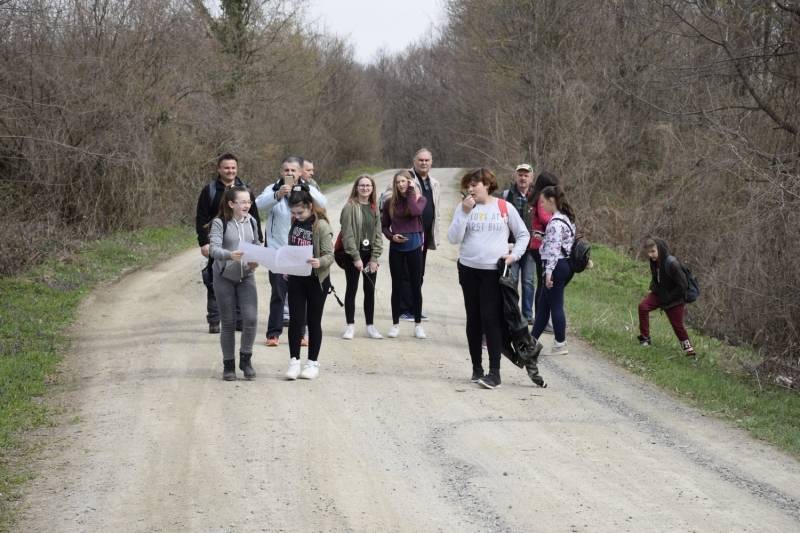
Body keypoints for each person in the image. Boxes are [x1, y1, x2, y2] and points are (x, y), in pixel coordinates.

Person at [448, 167, 530, 389]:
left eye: (475, 184)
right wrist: (464, 212)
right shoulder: (464, 207)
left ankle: (495, 373)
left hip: (493, 272)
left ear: (487, 185)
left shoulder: (504, 207)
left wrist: (513, 256)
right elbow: (453, 238)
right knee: (473, 318)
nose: (471, 188)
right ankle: (477, 369)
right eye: (468, 185)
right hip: (468, 269)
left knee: (491, 319)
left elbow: (523, 234)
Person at [256, 155, 327, 347]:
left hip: (301, 251)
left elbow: (323, 203)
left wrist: (306, 191)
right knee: (278, 294)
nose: (289, 173)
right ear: (281, 172)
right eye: (286, 170)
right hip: (277, 250)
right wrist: (277, 195)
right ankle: (273, 334)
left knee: (300, 296)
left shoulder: (307, 188)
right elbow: (257, 205)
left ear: (300, 172)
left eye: (293, 170)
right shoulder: (273, 188)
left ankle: (301, 334)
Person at [195, 153, 262, 334]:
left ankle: (239, 320)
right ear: (219, 169)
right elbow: (201, 217)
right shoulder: (209, 190)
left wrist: (258, 242)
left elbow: (254, 216)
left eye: (233, 167)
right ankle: (214, 319)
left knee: (241, 277)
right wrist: (204, 242)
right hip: (217, 243)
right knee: (214, 279)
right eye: (226, 167)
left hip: (241, 242)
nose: (230, 171)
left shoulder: (245, 190)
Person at [208, 186, 261, 381]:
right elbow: (213, 250)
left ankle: (246, 360)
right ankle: (228, 364)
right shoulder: (219, 223)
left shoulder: (252, 221)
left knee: (251, 318)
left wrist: (256, 259)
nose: (247, 205)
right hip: (224, 276)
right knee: (228, 321)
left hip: (246, 276)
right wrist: (230, 255)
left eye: (249, 202)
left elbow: (257, 244)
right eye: (243, 202)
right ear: (231, 204)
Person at [284, 186, 334, 380]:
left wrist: (319, 261)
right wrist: (287, 266)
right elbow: (292, 248)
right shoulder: (295, 222)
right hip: (296, 278)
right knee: (296, 320)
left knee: (313, 321)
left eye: (300, 212)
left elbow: (329, 256)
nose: (297, 216)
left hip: (316, 280)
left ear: (310, 206)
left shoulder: (321, 226)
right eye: (294, 213)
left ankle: (312, 362)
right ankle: (294, 361)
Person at [393, 148, 440, 322]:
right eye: (421, 160)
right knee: (406, 274)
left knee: (418, 273)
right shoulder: (405, 178)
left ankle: (414, 307)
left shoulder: (434, 183)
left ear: (431, 162)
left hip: (424, 235)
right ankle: (404, 309)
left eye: (427, 160)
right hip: (408, 234)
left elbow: (435, 209)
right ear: (414, 161)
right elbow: (389, 199)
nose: (424, 163)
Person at [530, 185, 576, 356]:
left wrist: (548, 273)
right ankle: (531, 340)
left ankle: (560, 343)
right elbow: (560, 243)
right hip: (565, 265)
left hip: (556, 266)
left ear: (551, 200)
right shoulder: (566, 218)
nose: (541, 205)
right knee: (544, 305)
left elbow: (554, 250)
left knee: (555, 305)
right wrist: (543, 237)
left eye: (543, 202)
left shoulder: (555, 223)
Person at [381, 170, 427, 339]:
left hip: (414, 246)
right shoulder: (389, 203)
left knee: (416, 286)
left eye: (404, 181)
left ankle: (418, 325)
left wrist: (411, 192)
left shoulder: (420, 199)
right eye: (398, 182)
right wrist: (392, 236)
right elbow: (384, 226)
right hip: (396, 248)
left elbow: (415, 212)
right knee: (397, 286)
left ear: (410, 182)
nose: (401, 184)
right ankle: (395, 324)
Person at [340, 174, 384, 340]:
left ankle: (370, 326)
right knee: (351, 289)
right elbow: (347, 234)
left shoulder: (374, 207)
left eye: (368, 185)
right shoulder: (349, 207)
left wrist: (374, 258)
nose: (365, 188)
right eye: (362, 185)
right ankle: (350, 326)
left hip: (369, 254)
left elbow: (378, 234)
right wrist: (356, 257)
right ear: (356, 188)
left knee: (369, 290)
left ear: (372, 188)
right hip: (353, 254)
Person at [637, 238, 696, 357]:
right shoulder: (653, 261)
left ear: (660, 249)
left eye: (653, 251)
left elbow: (683, 286)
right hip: (660, 294)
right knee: (643, 307)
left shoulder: (672, 264)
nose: (650, 255)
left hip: (675, 299)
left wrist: (668, 298)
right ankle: (645, 339)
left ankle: (690, 352)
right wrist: (653, 288)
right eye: (648, 252)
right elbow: (656, 278)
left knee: (677, 326)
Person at [500, 163, 536, 324]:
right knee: (511, 280)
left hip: (530, 248)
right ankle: (512, 312)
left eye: (526, 175)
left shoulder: (536, 197)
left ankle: (527, 315)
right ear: (515, 176)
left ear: (531, 178)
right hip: (511, 246)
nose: (523, 178)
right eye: (520, 175)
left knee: (528, 281)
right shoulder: (506, 195)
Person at [529, 171, 560, 330]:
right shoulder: (542, 198)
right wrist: (558, 222)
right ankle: (541, 319)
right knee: (544, 284)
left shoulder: (537, 196)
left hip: (537, 245)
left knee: (542, 283)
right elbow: (544, 218)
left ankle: (541, 318)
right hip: (540, 245)